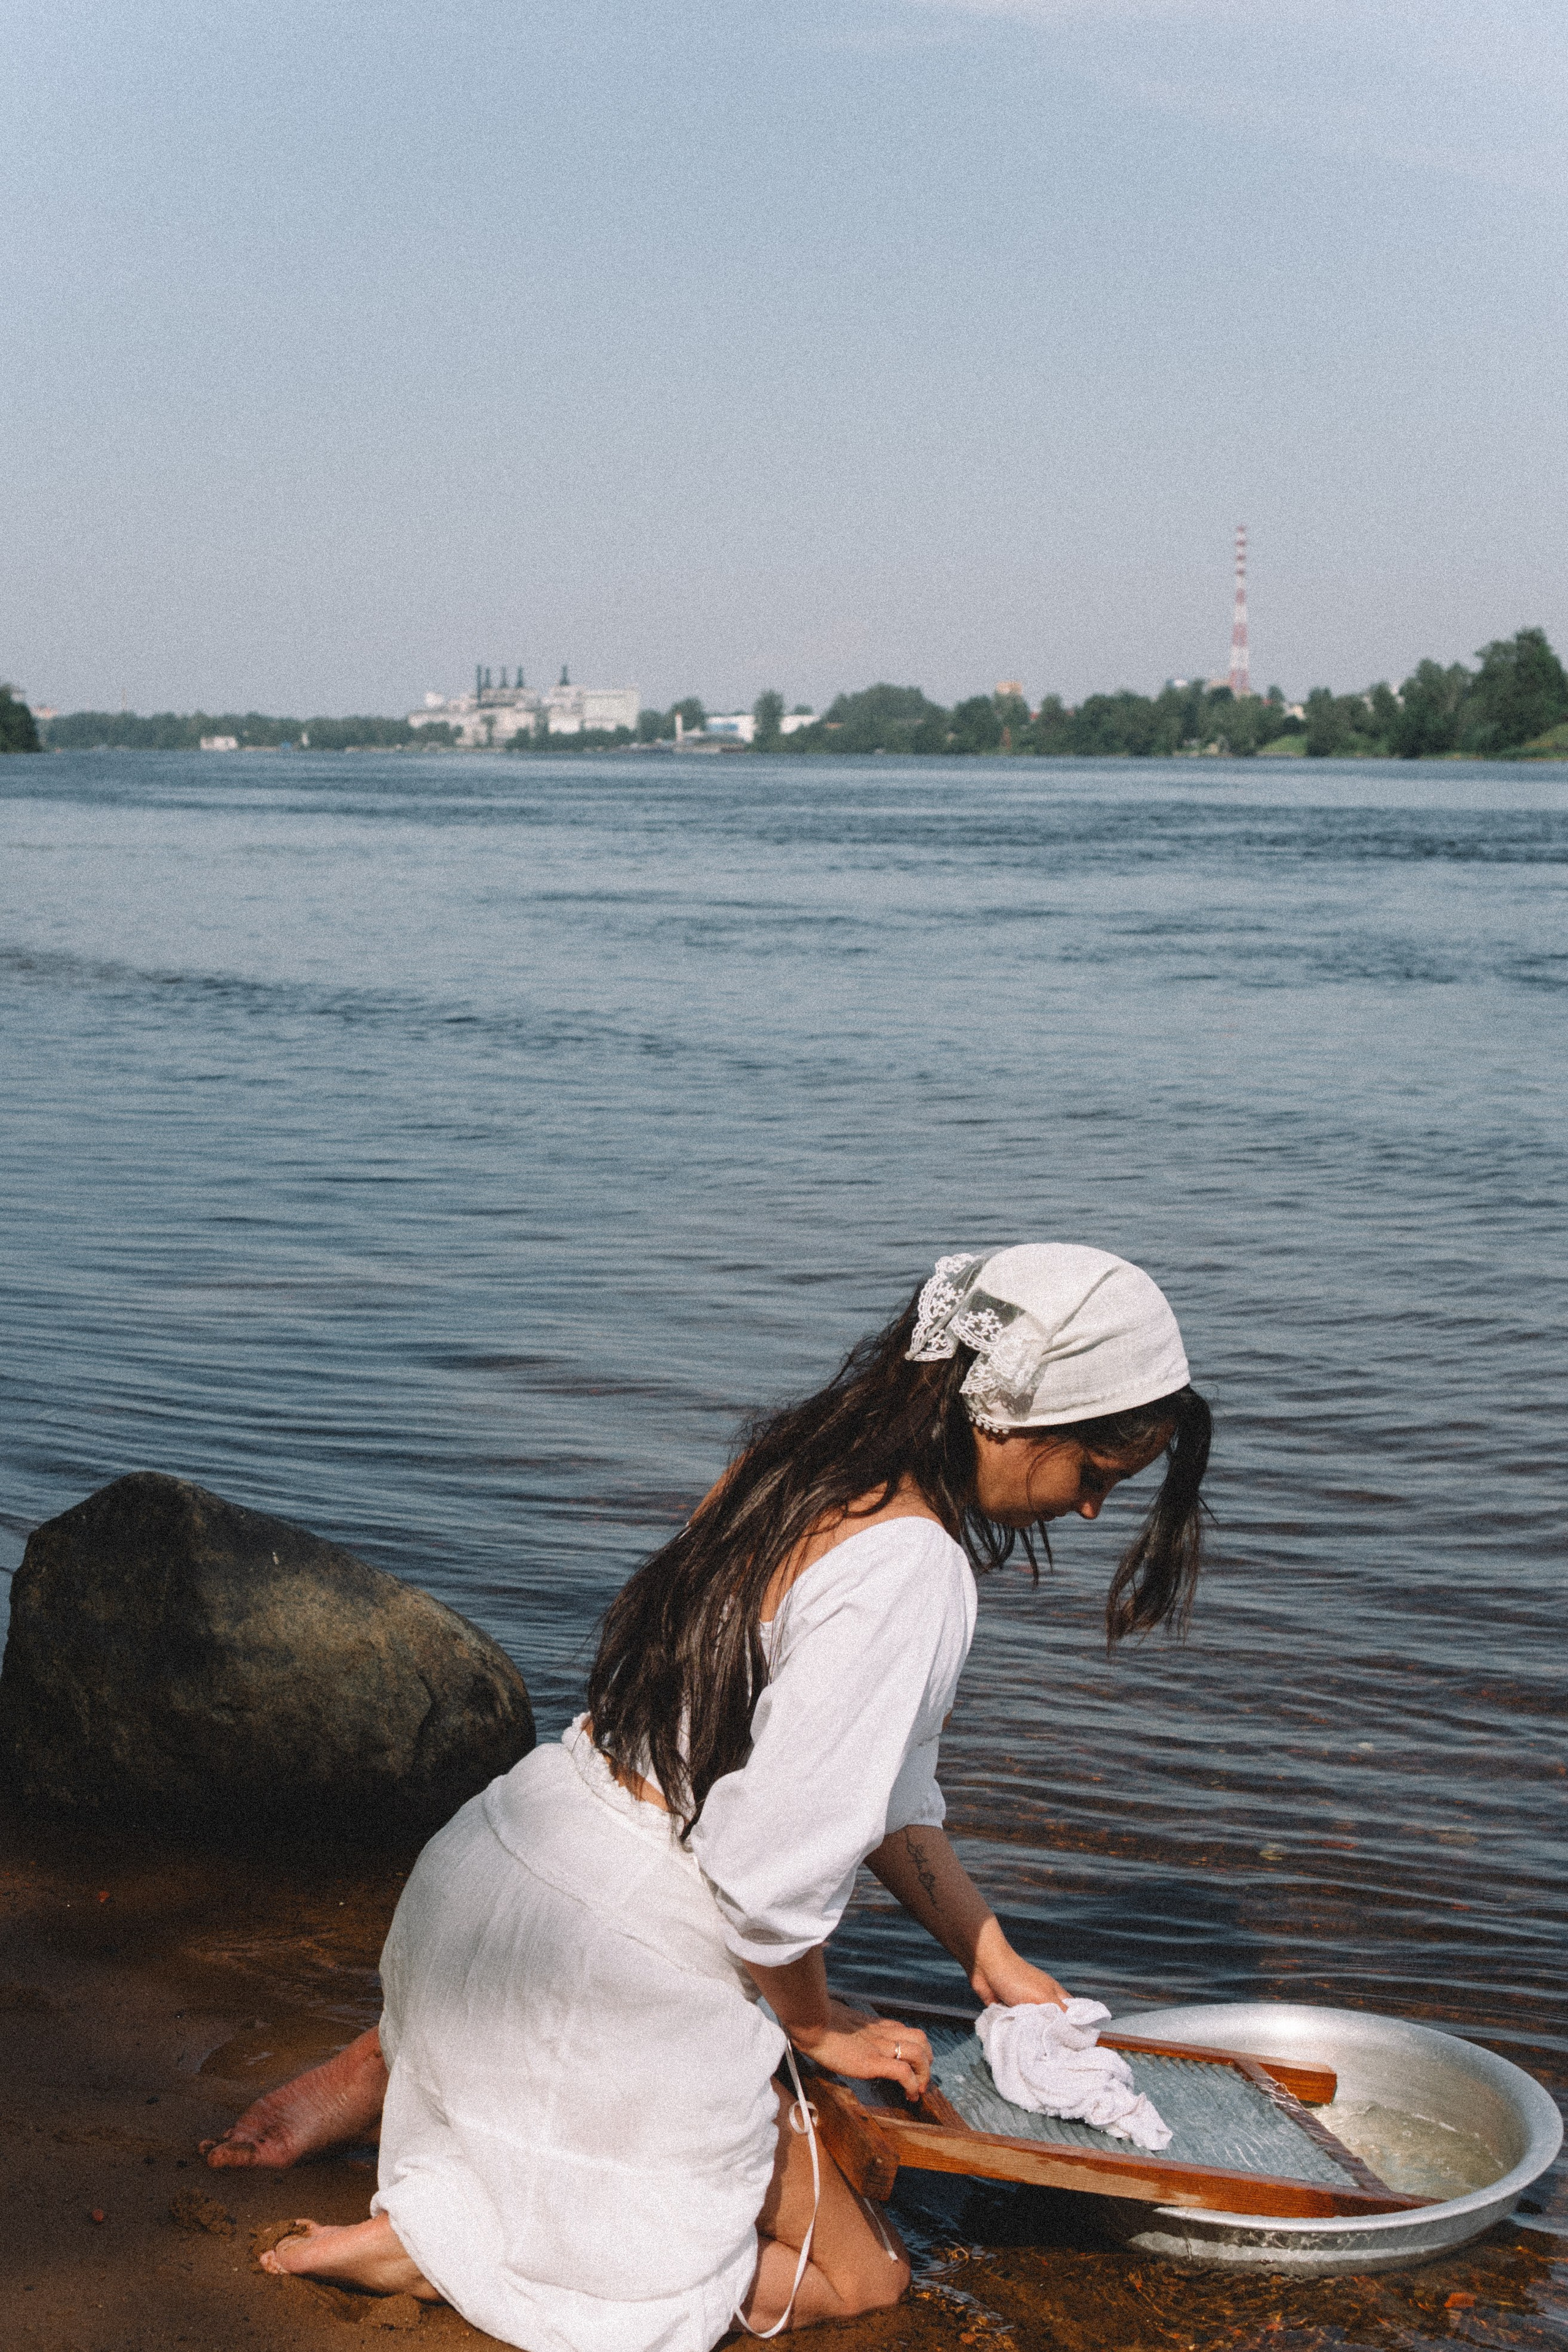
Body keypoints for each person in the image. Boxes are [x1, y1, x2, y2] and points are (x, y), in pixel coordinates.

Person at [209, 1244, 1211, 2350]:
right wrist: (818, 2027)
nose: (1089, 1511)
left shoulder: (795, 1469)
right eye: (1097, 1473)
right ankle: (443, 2246)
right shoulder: (913, 1569)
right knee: (863, 2279)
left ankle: (393, 2075)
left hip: (490, 1881)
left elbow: (873, 1793)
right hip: (613, 1971)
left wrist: (990, 1956)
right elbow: (769, 1874)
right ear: (1020, 1415)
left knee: (699, 2143)